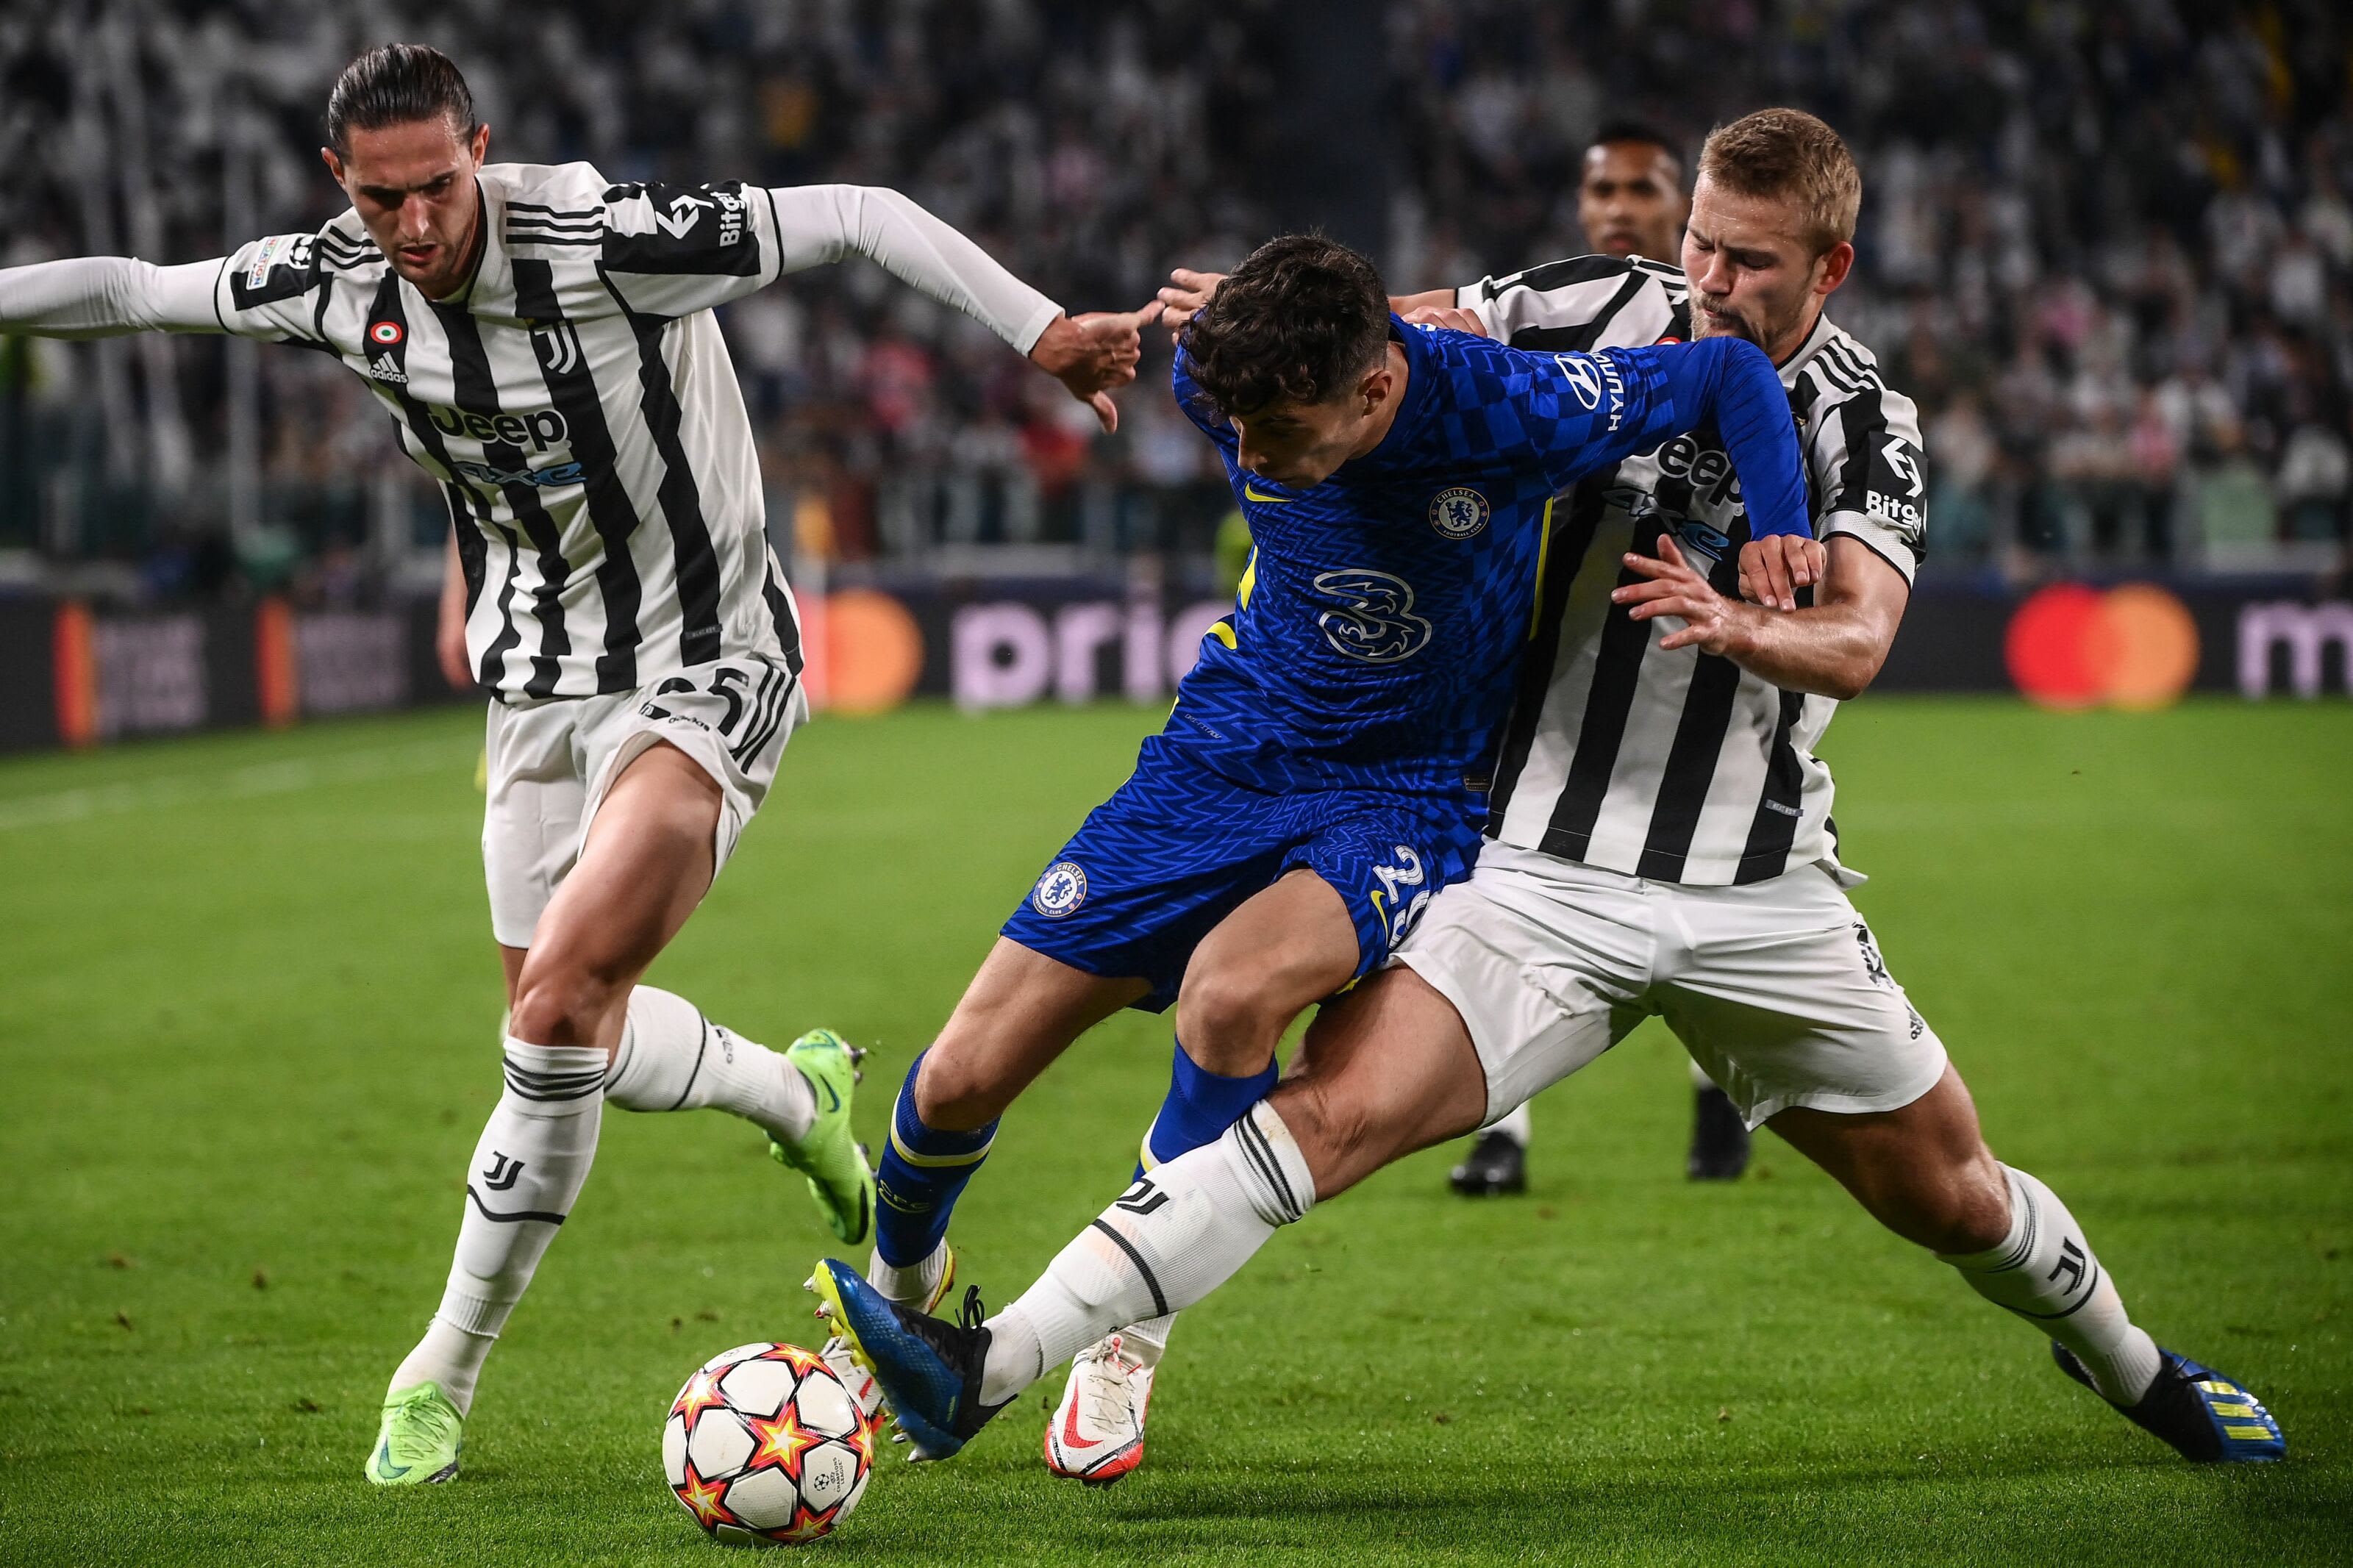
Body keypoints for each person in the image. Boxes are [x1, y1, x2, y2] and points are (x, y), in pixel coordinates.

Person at [809, 110, 2286, 1475]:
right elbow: (1412, 336)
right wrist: (1251, 315)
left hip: (1757, 888)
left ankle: (2133, 1365)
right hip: (1535, 869)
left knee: (1951, 1194)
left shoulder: (1864, 420)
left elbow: (1858, 638)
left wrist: (1739, 619)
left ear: (1829, 268)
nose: (1707, 279)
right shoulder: (1596, 310)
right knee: (1323, 1116)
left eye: (1748, 260)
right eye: (1698, 241)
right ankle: (991, 1365)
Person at [0, 43, 1153, 1486]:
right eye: (381, 198)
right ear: (338, 182)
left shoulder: (606, 240)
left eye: (438, 185)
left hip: (708, 658)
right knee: (565, 1043)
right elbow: (127, 287)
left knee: (555, 1005)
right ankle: (794, 1097)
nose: (415, 223)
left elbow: (860, 212)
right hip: (534, 690)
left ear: (480, 150)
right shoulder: (329, 282)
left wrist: (1039, 330)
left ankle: (439, 1370)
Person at [821, 226, 1821, 1476]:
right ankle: (898, 1298)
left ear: (1376, 387)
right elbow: (1226, 368)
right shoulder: (1219, 375)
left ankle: (1124, 1337)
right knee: (960, 1076)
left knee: (1233, 996)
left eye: (1280, 432)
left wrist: (1781, 524)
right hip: (1225, 751)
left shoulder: (1506, 406)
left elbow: (1727, 372)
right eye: (1237, 428)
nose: (1249, 458)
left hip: (1401, 790)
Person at [1401, 118, 1757, 1198]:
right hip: (1542, 637)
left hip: (1692, 650)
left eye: (1641, 190)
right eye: (1601, 190)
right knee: (1498, 862)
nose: (1617, 209)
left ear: (1685, 209)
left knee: (1706, 856)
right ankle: (1500, 1129)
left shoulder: (1738, 334)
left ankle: (1718, 1092)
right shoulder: (1559, 306)